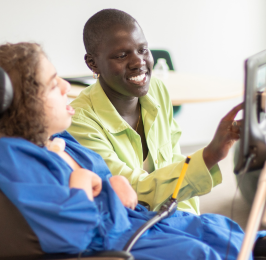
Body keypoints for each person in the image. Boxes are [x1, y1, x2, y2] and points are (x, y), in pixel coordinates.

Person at [0, 42, 264, 259]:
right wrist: (82, 182)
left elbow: (113, 186)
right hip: (114, 243)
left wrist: (114, 184)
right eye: (54, 85)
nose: (67, 87)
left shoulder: (60, 141)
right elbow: (69, 234)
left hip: (138, 220)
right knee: (199, 254)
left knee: (228, 233)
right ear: (24, 104)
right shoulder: (13, 155)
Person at [68, 9, 242, 215]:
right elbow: (130, 191)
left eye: (143, 50)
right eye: (122, 55)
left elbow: (173, 160)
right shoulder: (79, 121)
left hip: (170, 215)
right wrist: (209, 156)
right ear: (93, 63)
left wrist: (189, 219)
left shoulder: (156, 90)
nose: (138, 62)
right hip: (130, 224)